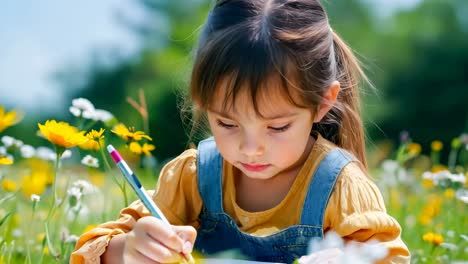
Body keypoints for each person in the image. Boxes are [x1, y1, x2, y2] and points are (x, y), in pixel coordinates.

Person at [71, 0, 410, 263]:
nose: (250, 148)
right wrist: (131, 250)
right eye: (227, 123)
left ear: (322, 104)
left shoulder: (340, 188)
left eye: (277, 127)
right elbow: (93, 252)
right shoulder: (192, 177)